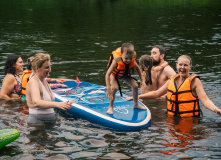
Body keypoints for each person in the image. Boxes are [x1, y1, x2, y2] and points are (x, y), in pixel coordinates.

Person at [127, 55, 221, 117]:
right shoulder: (172, 80)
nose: (182, 68)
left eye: (185, 65)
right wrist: (137, 96)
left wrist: (216, 109)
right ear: (176, 66)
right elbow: (157, 93)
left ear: (190, 67)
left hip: (190, 120)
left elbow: (205, 100)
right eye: (180, 65)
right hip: (172, 119)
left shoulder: (194, 81)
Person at [26, 53, 73, 126]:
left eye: (50, 66)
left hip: (47, 123)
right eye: (46, 67)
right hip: (38, 125)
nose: (50, 70)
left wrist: (65, 103)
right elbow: (36, 102)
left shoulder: (43, 79)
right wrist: (58, 104)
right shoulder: (34, 82)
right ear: (38, 68)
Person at [106, 42, 146, 114]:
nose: (128, 60)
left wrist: (142, 80)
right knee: (114, 88)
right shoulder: (116, 61)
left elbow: (137, 69)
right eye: (126, 58)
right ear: (121, 55)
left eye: (130, 58)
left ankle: (136, 104)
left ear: (133, 55)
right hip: (114, 75)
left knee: (135, 86)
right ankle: (110, 107)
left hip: (124, 74)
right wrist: (108, 88)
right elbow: (107, 74)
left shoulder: (132, 60)